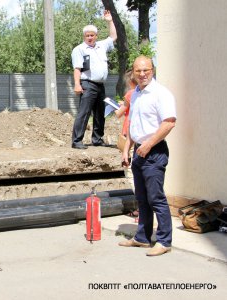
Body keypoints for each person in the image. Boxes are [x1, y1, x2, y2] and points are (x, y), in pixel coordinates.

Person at [119, 55, 177, 256]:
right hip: (138, 151)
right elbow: (134, 125)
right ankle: (142, 238)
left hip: (154, 151)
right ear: (133, 72)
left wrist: (149, 144)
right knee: (142, 198)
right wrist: (127, 149)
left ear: (153, 70)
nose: (142, 74)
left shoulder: (161, 93)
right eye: (138, 70)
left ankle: (164, 241)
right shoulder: (135, 93)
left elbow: (169, 122)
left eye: (146, 70)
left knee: (156, 198)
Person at [71, 10, 117, 149]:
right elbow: (77, 68)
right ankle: (76, 141)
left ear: (96, 36)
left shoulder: (101, 45)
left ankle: (97, 139)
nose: (90, 37)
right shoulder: (79, 49)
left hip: (100, 85)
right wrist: (77, 84)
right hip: (87, 84)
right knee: (84, 112)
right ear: (84, 37)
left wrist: (109, 21)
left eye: (92, 35)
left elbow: (113, 36)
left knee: (99, 114)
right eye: (87, 36)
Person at [115, 69, 136, 191]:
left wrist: (115, 107)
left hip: (128, 135)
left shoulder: (131, 94)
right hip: (136, 136)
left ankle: (140, 205)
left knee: (129, 171)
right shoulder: (143, 93)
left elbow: (119, 113)